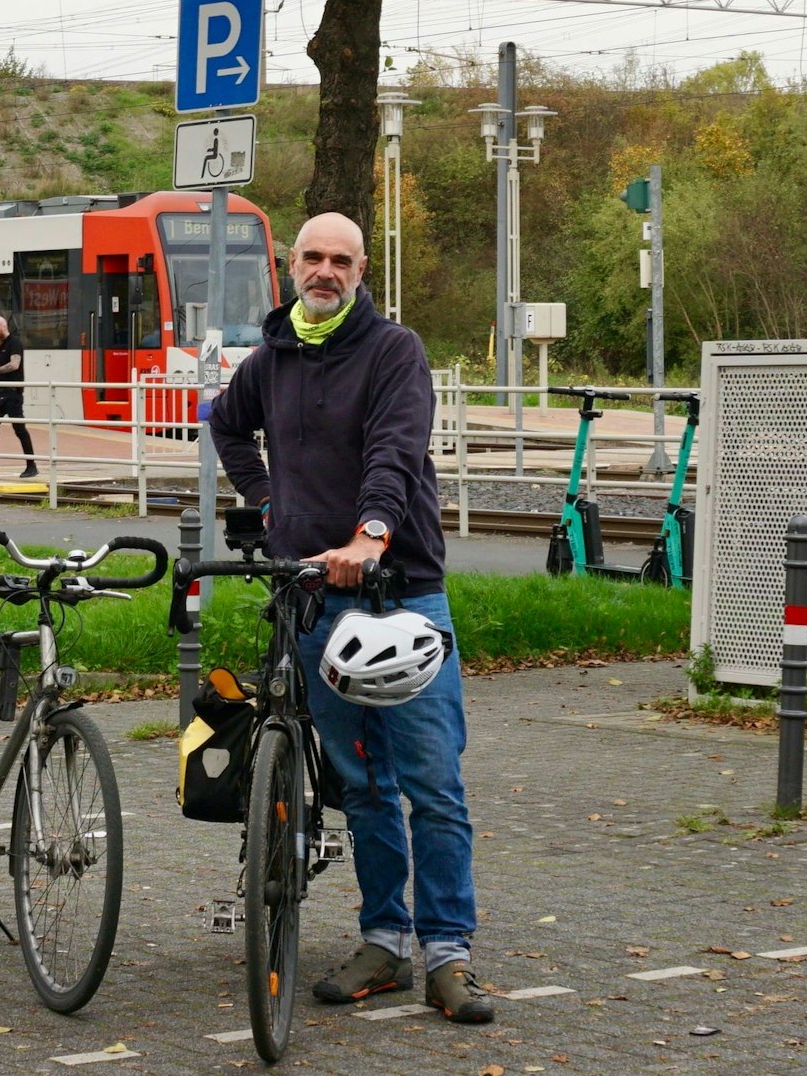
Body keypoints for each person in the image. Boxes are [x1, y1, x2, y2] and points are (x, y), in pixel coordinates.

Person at [207, 213, 493, 1025]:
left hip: (399, 592)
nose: (325, 270)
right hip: (314, 598)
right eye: (313, 257)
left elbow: (395, 450)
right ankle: (384, 940)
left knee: (432, 782)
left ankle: (448, 952)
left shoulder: (394, 351)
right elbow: (226, 423)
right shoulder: (272, 358)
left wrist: (370, 534)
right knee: (362, 783)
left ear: (361, 270)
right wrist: (268, 502)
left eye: (341, 259)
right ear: (291, 265)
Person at [0, 315, 38, 479]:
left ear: (3, 327)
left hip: (13, 394)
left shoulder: (14, 343)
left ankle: (31, 465)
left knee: (20, 430)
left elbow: (14, 365)